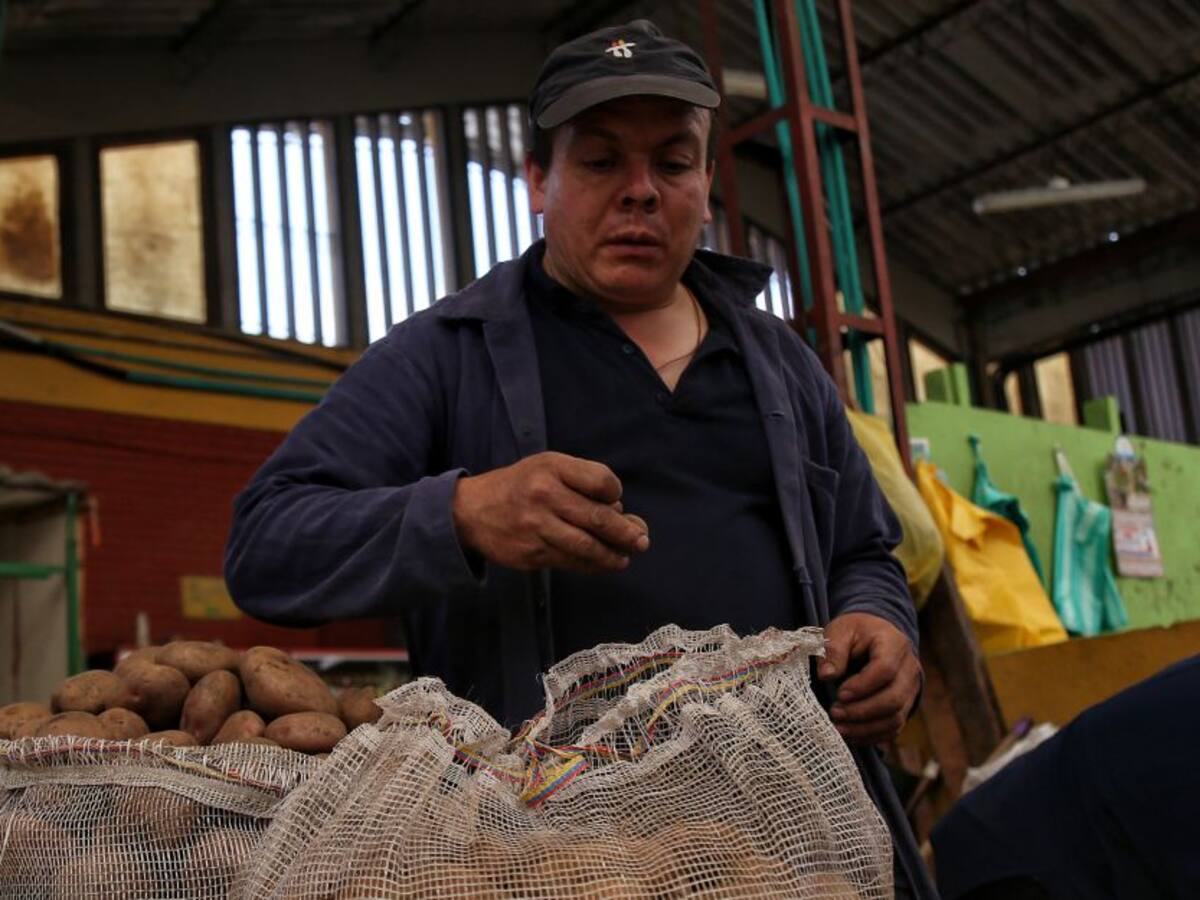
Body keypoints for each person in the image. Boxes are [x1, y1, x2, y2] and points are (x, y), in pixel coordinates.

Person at [225, 19, 933, 898]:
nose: (641, 191)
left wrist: (881, 622)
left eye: (672, 162)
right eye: (599, 162)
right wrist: (461, 514)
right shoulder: (445, 355)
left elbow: (863, 552)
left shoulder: (781, 362)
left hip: (787, 835)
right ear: (537, 182)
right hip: (549, 854)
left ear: (707, 184)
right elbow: (265, 541)